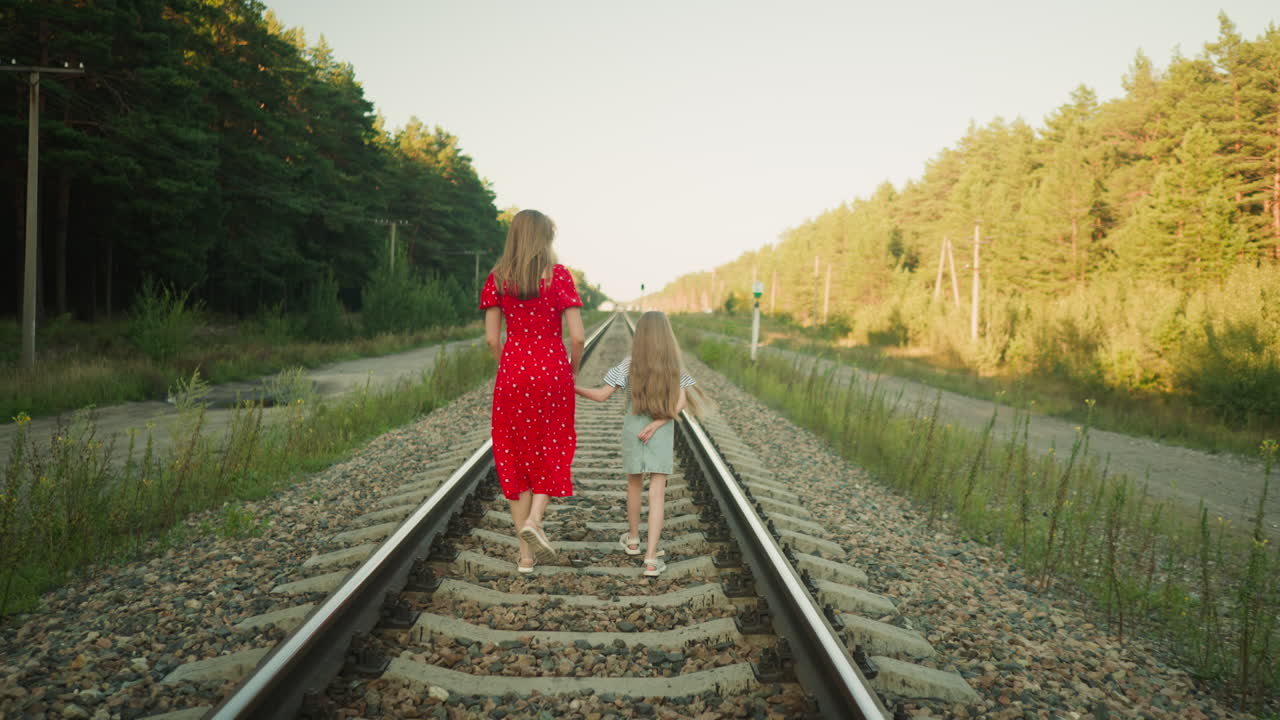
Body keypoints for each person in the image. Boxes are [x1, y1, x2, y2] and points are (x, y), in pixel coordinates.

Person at [481, 209, 585, 573]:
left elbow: (493, 338)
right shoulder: (558, 277)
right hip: (553, 371)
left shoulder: (497, 279)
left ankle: (525, 557)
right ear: (544, 239)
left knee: (515, 454)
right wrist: (570, 371)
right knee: (554, 444)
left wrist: (508, 366)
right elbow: (577, 336)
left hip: (513, 371)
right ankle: (535, 520)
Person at [575, 311, 697, 576]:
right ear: (666, 335)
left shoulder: (628, 364)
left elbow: (600, 395)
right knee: (657, 493)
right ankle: (651, 559)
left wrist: (573, 387)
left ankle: (632, 539)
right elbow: (681, 401)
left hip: (633, 428)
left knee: (633, 484)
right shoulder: (673, 364)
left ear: (639, 335)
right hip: (661, 431)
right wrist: (659, 422)